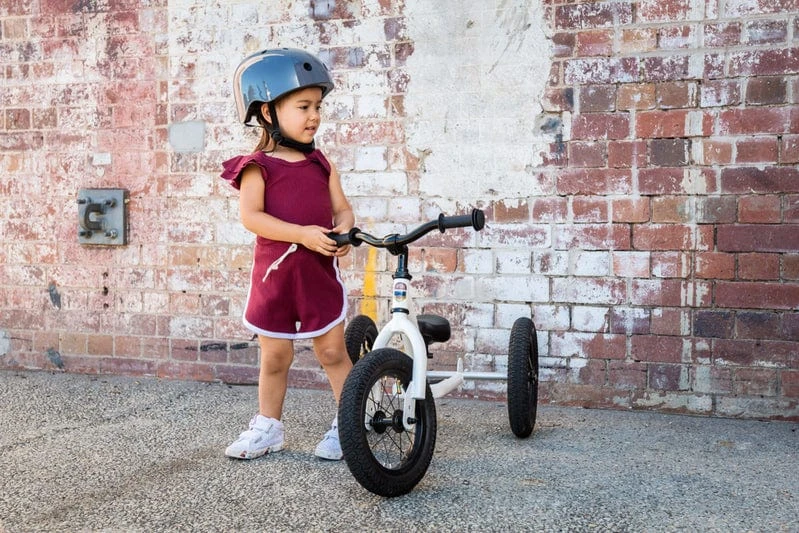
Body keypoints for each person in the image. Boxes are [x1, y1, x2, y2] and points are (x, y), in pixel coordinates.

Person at [219, 48, 354, 461]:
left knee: (332, 352)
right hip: (274, 278)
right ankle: (269, 428)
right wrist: (302, 234)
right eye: (303, 106)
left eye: (317, 106)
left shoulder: (320, 164)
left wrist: (344, 232)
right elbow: (252, 218)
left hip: (317, 275)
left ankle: (348, 424)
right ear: (267, 112)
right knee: (276, 356)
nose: (314, 115)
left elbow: (342, 209)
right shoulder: (258, 166)